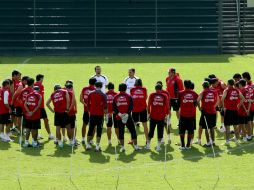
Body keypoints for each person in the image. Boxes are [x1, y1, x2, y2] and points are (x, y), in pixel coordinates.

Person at [113, 83, 141, 152]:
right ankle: (136, 146)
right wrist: (127, 114)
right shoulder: (129, 96)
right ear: (125, 88)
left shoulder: (115, 97)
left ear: (119, 88)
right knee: (133, 131)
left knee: (121, 132)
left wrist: (119, 114)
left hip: (119, 118)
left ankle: (122, 147)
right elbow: (131, 106)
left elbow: (114, 107)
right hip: (128, 117)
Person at [146, 84, 169, 151]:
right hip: (161, 117)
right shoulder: (165, 96)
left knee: (151, 131)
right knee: (160, 132)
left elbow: (148, 105)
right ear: (161, 89)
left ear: (155, 88)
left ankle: (148, 145)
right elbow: (167, 107)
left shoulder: (152, 95)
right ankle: (158, 146)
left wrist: (148, 114)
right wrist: (167, 115)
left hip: (153, 116)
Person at [221, 79, 245, 145]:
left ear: (228, 84)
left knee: (227, 126)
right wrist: (238, 106)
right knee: (235, 126)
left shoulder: (226, 90)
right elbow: (243, 98)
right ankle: (237, 140)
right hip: (235, 110)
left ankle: (227, 141)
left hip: (228, 110)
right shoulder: (237, 90)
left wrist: (223, 107)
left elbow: (222, 99)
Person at [86, 82, 107, 151]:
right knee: (99, 130)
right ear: (101, 86)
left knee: (90, 129)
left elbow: (88, 104)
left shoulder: (90, 93)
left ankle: (88, 144)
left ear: (95, 86)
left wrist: (90, 111)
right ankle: (97, 146)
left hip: (92, 114)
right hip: (100, 115)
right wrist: (106, 115)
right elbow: (105, 107)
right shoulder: (103, 94)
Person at [196, 81, 219, 147]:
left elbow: (197, 101)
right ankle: (213, 141)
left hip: (206, 112)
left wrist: (199, 108)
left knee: (206, 128)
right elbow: (218, 100)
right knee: (212, 127)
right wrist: (213, 107)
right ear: (209, 85)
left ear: (203, 86)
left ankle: (208, 142)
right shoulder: (214, 91)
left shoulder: (203, 92)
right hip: (213, 112)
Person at [178, 80, 198, 150]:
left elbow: (178, 104)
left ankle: (183, 145)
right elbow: (195, 104)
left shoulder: (180, 93)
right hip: (192, 115)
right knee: (190, 130)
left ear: (184, 85)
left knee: (181, 131)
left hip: (183, 115)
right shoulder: (195, 94)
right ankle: (188, 145)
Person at [34, 74, 54, 140]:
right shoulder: (41, 86)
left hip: (34, 107)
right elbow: (40, 96)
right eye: (43, 78)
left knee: (36, 121)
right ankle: (50, 134)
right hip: (41, 107)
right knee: (46, 120)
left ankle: (36, 135)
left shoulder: (33, 84)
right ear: (41, 79)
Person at [130, 79, 148, 144]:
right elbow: (146, 97)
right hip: (143, 108)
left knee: (133, 125)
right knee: (145, 125)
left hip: (135, 109)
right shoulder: (144, 89)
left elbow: (131, 98)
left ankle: (132, 140)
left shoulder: (132, 89)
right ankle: (147, 140)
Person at [80, 78, 96, 144]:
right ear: (95, 83)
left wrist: (86, 105)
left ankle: (83, 139)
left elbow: (81, 99)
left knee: (84, 124)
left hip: (86, 110)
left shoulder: (84, 89)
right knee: (94, 126)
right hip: (93, 112)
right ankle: (91, 140)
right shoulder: (95, 90)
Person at [242, 72, 254, 137]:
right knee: (251, 121)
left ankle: (249, 135)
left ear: (245, 78)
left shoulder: (246, 87)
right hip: (251, 106)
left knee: (248, 121)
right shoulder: (253, 85)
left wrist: (251, 100)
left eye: (242, 77)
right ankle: (251, 134)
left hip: (248, 107)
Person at [65, 82, 77, 146]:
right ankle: (72, 141)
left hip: (65, 113)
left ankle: (70, 141)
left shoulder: (63, 92)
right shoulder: (72, 93)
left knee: (67, 127)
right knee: (72, 127)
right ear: (71, 88)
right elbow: (73, 103)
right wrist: (70, 110)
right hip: (71, 113)